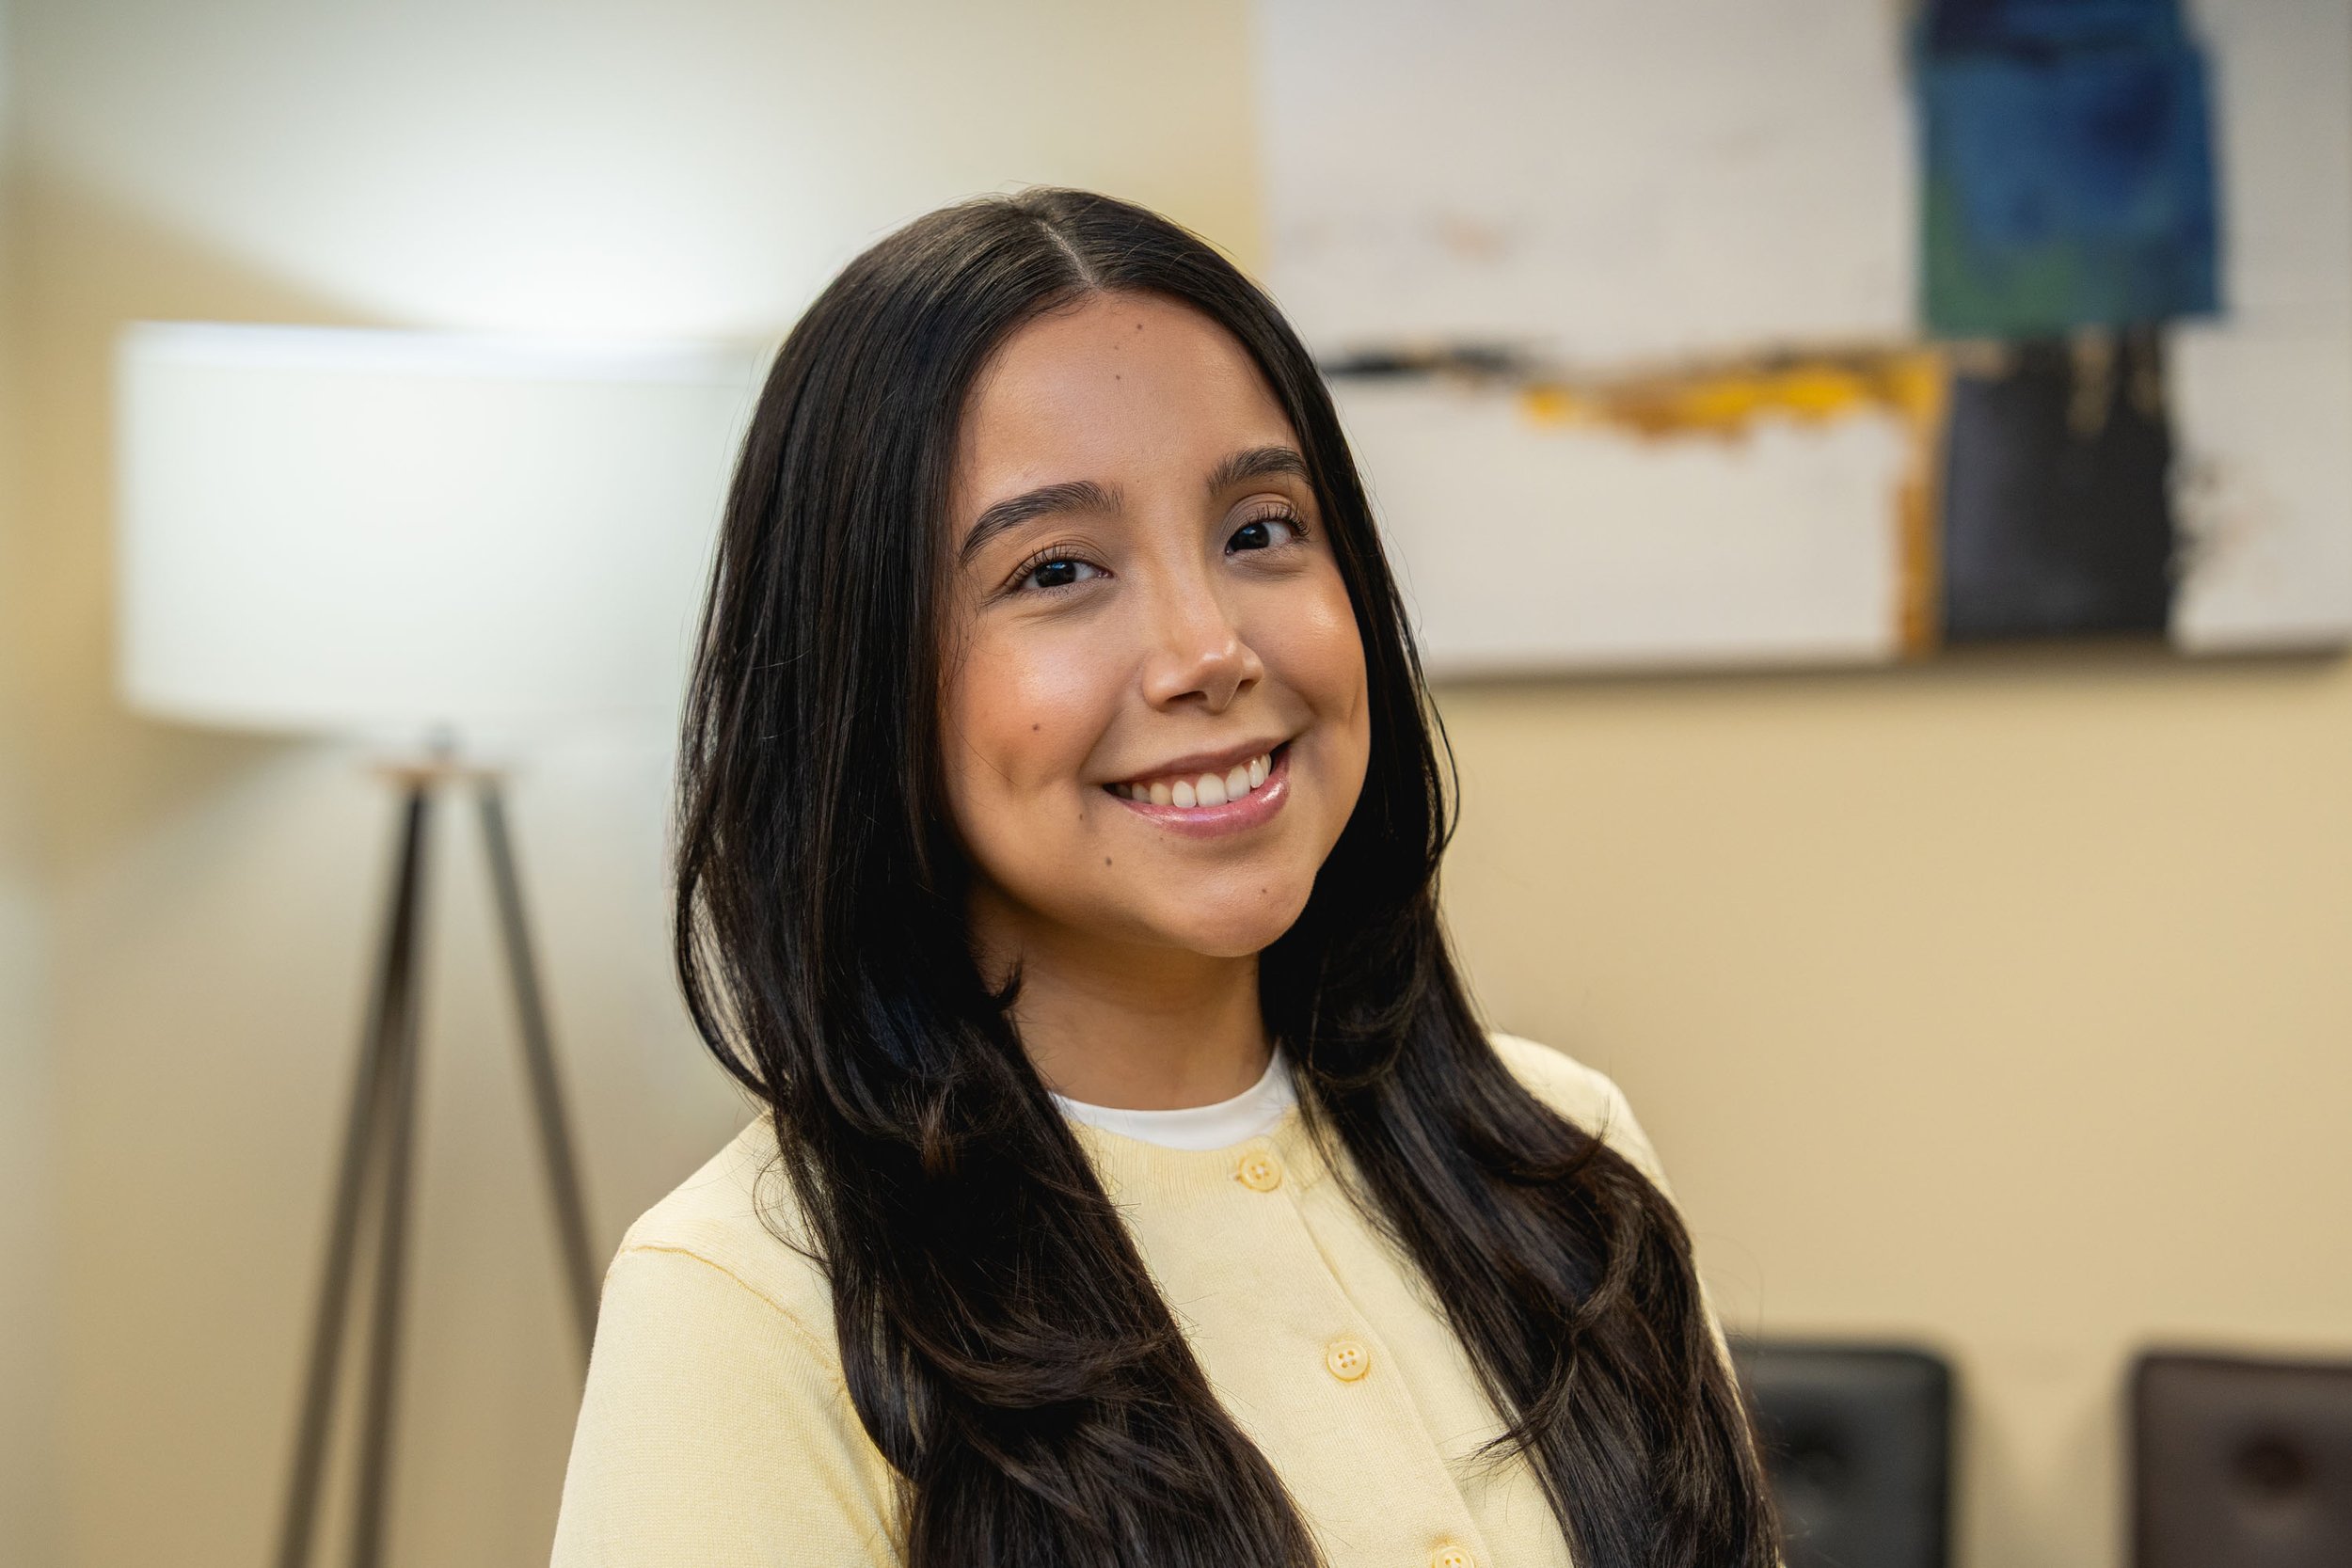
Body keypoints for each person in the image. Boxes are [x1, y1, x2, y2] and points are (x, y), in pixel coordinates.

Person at [550, 187, 1775, 1568]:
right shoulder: (747, 1300)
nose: (1209, 649)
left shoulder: (1565, 1155)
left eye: (1259, 530)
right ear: (866, 679)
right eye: (1057, 568)